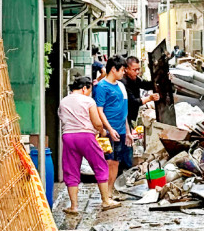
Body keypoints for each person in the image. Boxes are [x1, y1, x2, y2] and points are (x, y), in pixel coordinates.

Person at [58, 76, 120, 214]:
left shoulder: (63, 101)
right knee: (100, 165)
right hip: (86, 136)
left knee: (71, 170)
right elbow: (97, 122)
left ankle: (73, 206)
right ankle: (106, 200)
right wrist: (102, 131)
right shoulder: (88, 100)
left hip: (68, 136)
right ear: (85, 88)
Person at [94, 55, 132, 194]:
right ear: (113, 69)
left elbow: (124, 111)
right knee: (107, 163)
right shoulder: (102, 87)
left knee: (116, 162)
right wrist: (109, 129)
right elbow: (99, 111)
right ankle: (105, 194)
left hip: (121, 130)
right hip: (107, 132)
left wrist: (128, 131)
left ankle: (109, 192)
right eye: (122, 69)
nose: (123, 72)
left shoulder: (121, 85)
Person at [120, 56, 159, 125]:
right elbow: (133, 101)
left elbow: (146, 85)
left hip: (132, 114)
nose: (137, 72)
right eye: (134, 70)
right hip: (125, 117)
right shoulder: (123, 83)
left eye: (138, 69)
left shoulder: (135, 79)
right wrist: (149, 98)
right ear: (126, 69)